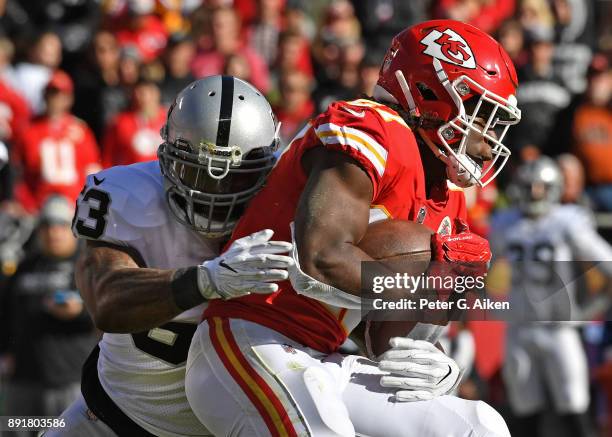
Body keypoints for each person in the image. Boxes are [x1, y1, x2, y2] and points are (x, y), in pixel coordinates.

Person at [186, 19, 521, 436]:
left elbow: (381, 341)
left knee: (479, 427)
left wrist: (434, 359)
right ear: (431, 93)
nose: (488, 138)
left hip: (326, 356)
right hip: (251, 335)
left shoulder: (448, 197)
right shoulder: (372, 128)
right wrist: (421, 288)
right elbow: (320, 262)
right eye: (483, 114)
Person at [48, 75, 294, 436]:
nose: (217, 193)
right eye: (198, 174)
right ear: (167, 155)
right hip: (112, 420)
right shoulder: (124, 195)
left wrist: (393, 327)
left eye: (237, 179)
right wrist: (205, 281)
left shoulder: (295, 208)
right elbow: (106, 300)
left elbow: (365, 271)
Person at [494, 157, 612, 437]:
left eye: (542, 187)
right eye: (529, 186)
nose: (535, 193)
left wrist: (592, 307)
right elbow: (478, 269)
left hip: (559, 329)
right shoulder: (504, 223)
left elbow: (607, 264)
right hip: (520, 328)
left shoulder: (567, 221)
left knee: (574, 406)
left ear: (555, 189)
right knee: (523, 413)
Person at [2, 196, 97, 436]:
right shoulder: (26, 265)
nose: (52, 231)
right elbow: (6, 312)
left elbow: (109, 312)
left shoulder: (89, 265)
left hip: (70, 383)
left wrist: (81, 312)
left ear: (73, 227)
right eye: (45, 224)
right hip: (23, 382)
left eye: (59, 224)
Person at [12, 70, 101, 213]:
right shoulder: (29, 130)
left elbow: (93, 171)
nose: (55, 99)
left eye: (61, 94)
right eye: (52, 93)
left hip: (74, 207)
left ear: (69, 98)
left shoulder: (81, 130)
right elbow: (18, 173)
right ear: (45, 95)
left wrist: (89, 206)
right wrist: (26, 204)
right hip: (39, 207)